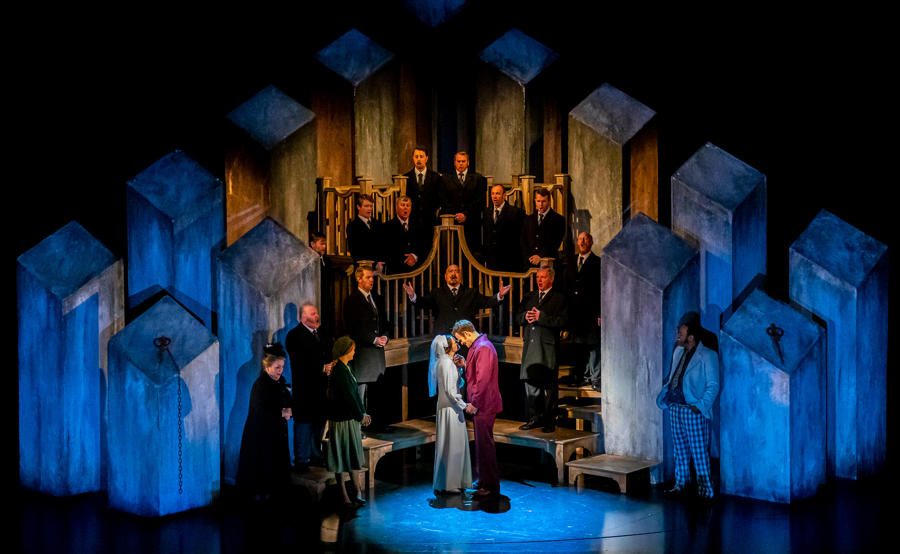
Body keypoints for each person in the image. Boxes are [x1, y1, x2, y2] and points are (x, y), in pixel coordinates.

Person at [656, 312, 719, 501]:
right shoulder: (678, 351)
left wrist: (699, 406)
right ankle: (680, 484)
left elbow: (713, 385)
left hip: (693, 410)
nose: (678, 333)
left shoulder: (708, 355)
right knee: (680, 450)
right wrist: (664, 396)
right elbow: (673, 376)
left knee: (699, 451)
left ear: (692, 336)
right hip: (676, 408)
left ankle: (705, 490)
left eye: (681, 331)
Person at [236, 342, 293, 500]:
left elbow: (288, 402)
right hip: (262, 435)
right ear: (267, 367)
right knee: (264, 468)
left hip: (277, 433)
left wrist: (289, 410)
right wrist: (282, 412)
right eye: (277, 367)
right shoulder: (260, 385)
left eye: (282, 367)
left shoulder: (281, 383)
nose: (280, 371)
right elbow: (260, 410)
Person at [452, 319, 502, 497]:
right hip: (481, 403)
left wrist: (475, 404)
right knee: (481, 445)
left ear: (466, 333)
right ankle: (483, 480)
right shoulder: (477, 346)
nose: (462, 343)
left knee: (485, 445)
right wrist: (465, 365)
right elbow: (476, 371)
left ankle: (489, 485)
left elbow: (483, 380)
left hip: (485, 404)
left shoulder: (484, 347)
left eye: (461, 340)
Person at [516, 267, 567, 432]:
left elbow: (563, 322)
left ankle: (549, 420)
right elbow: (517, 317)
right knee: (531, 383)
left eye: (543, 277)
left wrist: (541, 317)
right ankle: (534, 418)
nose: (539, 280)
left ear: (551, 279)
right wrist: (525, 317)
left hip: (547, 347)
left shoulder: (558, 298)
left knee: (548, 386)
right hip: (531, 345)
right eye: (538, 277)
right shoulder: (530, 296)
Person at [285, 303, 334, 471]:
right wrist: (322, 367)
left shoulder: (322, 333)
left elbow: (329, 351)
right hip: (305, 389)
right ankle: (302, 460)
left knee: (319, 423)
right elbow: (300, 362)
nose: (316, 316)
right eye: (313, 314)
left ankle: (315, 455)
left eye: (317, 313)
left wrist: (330, 365)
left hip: (321, 389)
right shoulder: (294, 336)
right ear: (302, 317)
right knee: (304, 425)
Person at [325, 336, 371, 508]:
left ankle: (357, 492)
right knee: (341, 456)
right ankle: (344, 495)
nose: (354, 352)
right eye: (352, 349)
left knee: (353, 455)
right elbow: (348, 397)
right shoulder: (339, 372)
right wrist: (360, 415)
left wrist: (363, 413)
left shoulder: (348, 368)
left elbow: (356, 395)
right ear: (345, 351)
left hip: (351, 419)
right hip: (341, 420)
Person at [403, 264, 510, 335]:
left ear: (461, 276)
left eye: (456, 271)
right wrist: (413, 296)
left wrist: (499, 295)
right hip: (444, 338)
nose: (453, 274)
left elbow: (487, 302)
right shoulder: (437, 293)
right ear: (445, 276)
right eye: (450, 271)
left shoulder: (471, 292)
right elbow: (424, 303)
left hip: (466, 337)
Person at [342, 265, 389, 429]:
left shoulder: (377, 298)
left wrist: (385, 337)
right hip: (362, 353)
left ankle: (376, 426)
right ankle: (358, 427)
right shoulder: (352, 300)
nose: (371, 280)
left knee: (377, 392)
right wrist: (373, 339)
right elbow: (353, 328)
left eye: (372, 278)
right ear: (358, 279)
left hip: (377, 353)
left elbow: (385, 322)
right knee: (360, 392)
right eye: (368, 277)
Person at [429, 335, 472, 494]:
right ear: (448, 346)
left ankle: (452, 481)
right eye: (454, 341)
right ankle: (450, 483)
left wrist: (459, 368)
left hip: (450, 407)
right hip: (451, 408)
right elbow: (450, 390)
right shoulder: (445, 363)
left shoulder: (447, 362)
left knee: (453, 443)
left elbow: (457, 383)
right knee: (452, 444)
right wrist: (465, 405)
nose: (457, 342)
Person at [562, 232, 602, 392]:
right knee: (577, 346)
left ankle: (595, 378)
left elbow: (601, 290)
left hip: (590, 312)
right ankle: (580, 376)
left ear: (591, 242)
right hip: (574, 313)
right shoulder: (570, 261)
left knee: (593, 346)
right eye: (580, 239)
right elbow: (566, 287)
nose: (582, 242)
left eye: (586, 239)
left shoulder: (597, 262)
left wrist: (600, 313)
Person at [438, 152, 486, 255]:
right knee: (453, 253)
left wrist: (466, 214)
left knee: (471, 253)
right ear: (454, 163)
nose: (461, 164)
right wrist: (456, 214)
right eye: (458, 161)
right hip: (452, 222)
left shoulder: (478, 178)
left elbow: (480, 201)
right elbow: (443, 200)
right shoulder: (445, 179)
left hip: (472, 223)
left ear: (468, 163)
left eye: (463, 161)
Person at [482, 184, 524, 272]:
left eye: (497, 193)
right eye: (492, 194)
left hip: (509, 260)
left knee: (508, 286)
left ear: (504, 196)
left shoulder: (515, 212)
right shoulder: (486, 212)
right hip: (492, 260)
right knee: (494, 285)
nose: (494, 196)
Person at [520, 188, 565, 268]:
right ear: (535, 201)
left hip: (548, 263)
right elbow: (523, 239)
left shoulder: (558, 219)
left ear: (549, 202)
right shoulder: (528, 219)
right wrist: (529, 256)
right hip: (529, 263)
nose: (541, 204)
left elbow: (555, 243)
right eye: (538, 201)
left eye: (543, 201)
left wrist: (540, 257)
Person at [383, 195, 427, 274]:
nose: (405, 207)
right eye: (402, 205)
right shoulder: (387, 226)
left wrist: (414, 256)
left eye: (408, 205)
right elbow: (387, 250)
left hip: (416, 271)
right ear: (396, 207)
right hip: (396, 272)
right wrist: (405, 259)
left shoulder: (419, 225)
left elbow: (424, 245)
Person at [404, 145, 441, 227]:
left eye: (421, 156)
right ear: (413, 158)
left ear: (426, 158)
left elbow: (439, 199)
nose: (419, 159)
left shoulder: (436, 177)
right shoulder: (406, 177)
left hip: (431, 221)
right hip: (412, 221)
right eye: (416, 156)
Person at [347, 193, 385, 272]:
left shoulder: (378, 224)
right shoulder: (353, 226)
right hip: (363, 268)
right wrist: (374, 263)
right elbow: (355, 250)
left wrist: (380, 261)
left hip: (381, 267)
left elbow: (383, 244)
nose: (369, 209)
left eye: (371, 206)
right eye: (366, 206)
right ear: (358, 207)